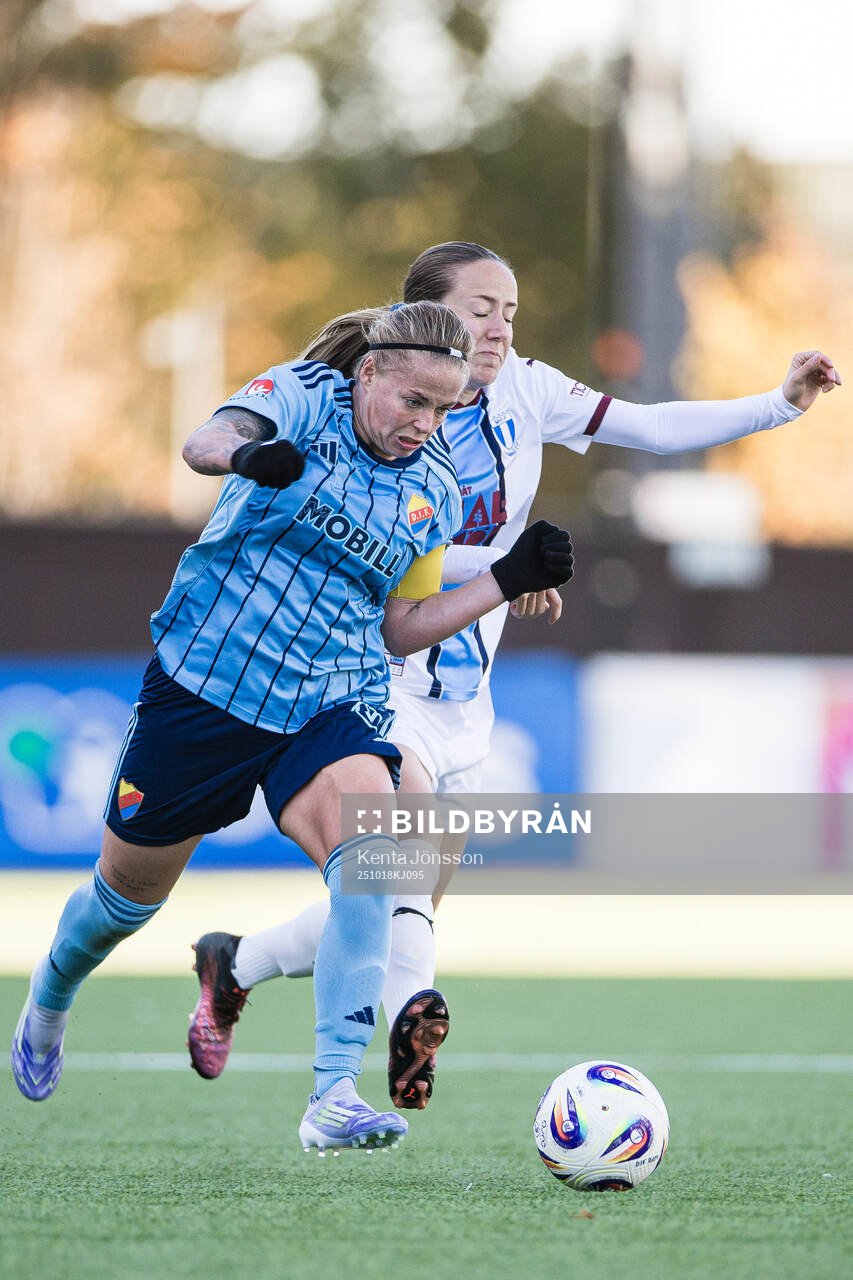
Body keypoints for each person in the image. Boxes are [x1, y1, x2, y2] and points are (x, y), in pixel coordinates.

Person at [185, 241, 842, 1110]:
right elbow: (378, 535)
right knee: (396, 865)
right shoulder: (372, 410)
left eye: (510, 310)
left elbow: (647, 425)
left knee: (397, 893)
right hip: (375, 671)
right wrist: (501, 570)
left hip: (465, 691)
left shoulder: (528, 389)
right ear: (425, 315)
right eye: (480, 307)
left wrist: (778, 406)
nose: (498, 326)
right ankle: (404, 1020)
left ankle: (238, 962)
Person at [9, 298, 576, 1157]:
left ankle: (334, 1093)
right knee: (121, 906)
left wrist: (502, 579)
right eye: (412, 401)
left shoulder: (435, 487)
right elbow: (204, 441)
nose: (424, 424)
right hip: (207, 685)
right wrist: (249, 454)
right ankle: (49, 999)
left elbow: (398, 625)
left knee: (373, 864)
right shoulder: (304, 396)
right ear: (369, 373)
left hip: (327, 697)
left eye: (444, 409)